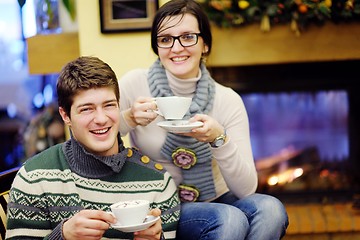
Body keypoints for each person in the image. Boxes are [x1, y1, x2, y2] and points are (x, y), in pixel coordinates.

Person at [118, 0, 289, 239]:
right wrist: (129, 118)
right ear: (157, 46)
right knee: (229, 219)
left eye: (188, 37)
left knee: (270, 209)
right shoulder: (135, 84)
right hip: (160, 202)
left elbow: (247, 189)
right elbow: (97, 134)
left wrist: (219, 139)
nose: (176, 47)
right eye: (166, 39)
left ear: (205, 44)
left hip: (216, 196)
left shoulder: (227, 99)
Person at [5, 56, 180, 240]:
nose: (101, 119)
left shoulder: (159, 184)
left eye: (109, 105)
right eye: (86, 109)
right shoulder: (34, 178)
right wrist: (63, 235)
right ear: (65, 116)